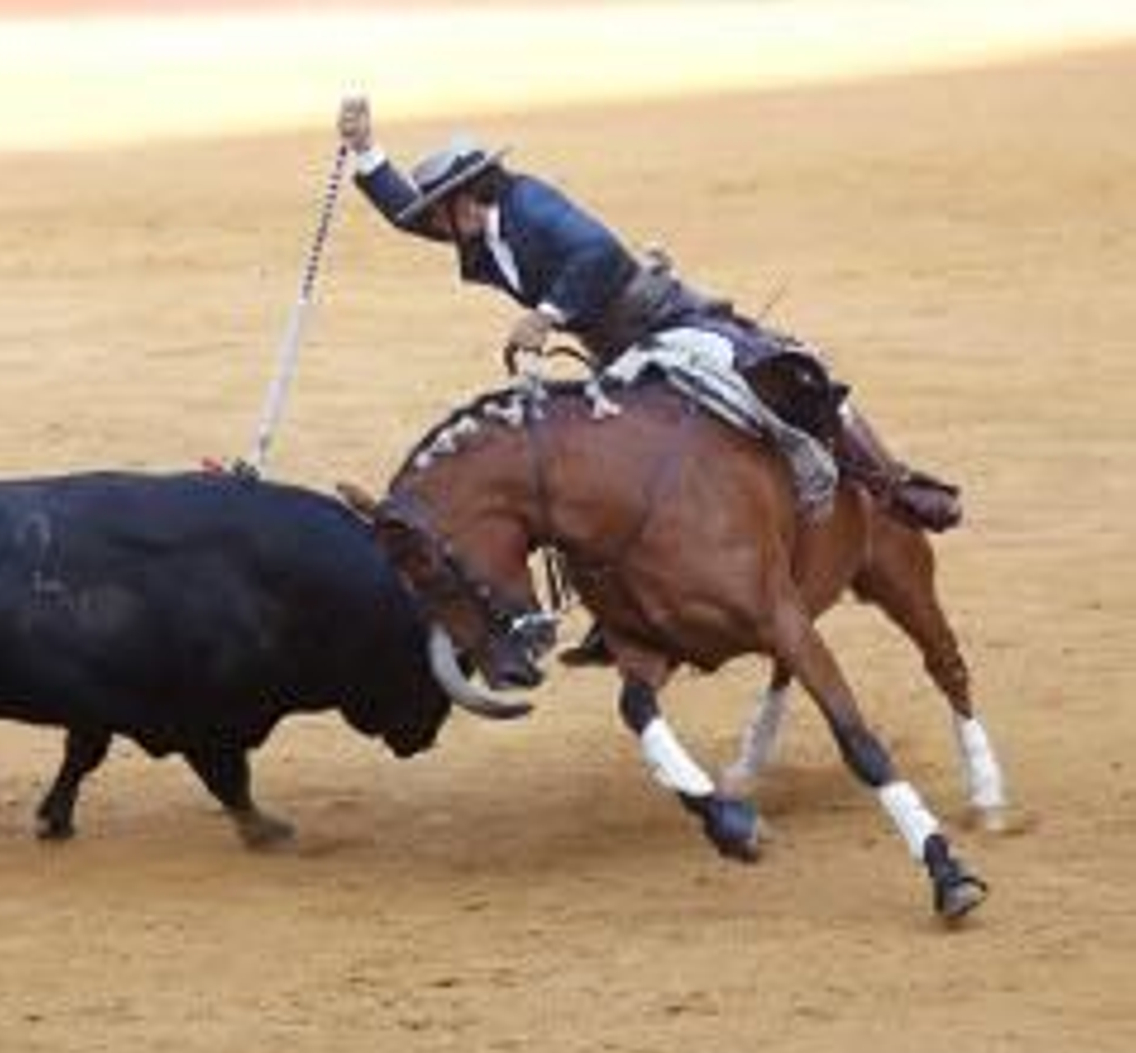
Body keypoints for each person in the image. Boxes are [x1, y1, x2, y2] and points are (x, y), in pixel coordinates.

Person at [336, 95, 961, 665]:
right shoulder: (472, 221)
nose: (433, 226)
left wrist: (545, 314)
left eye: (437, 213)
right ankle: (620, 613)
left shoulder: (533, 206)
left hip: (662, 321)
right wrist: (366, 150)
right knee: (580, 466)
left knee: (789, 377)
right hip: (610, 349)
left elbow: (599, 256)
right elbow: (405, 215)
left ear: (465, 199)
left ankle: (891, 483)